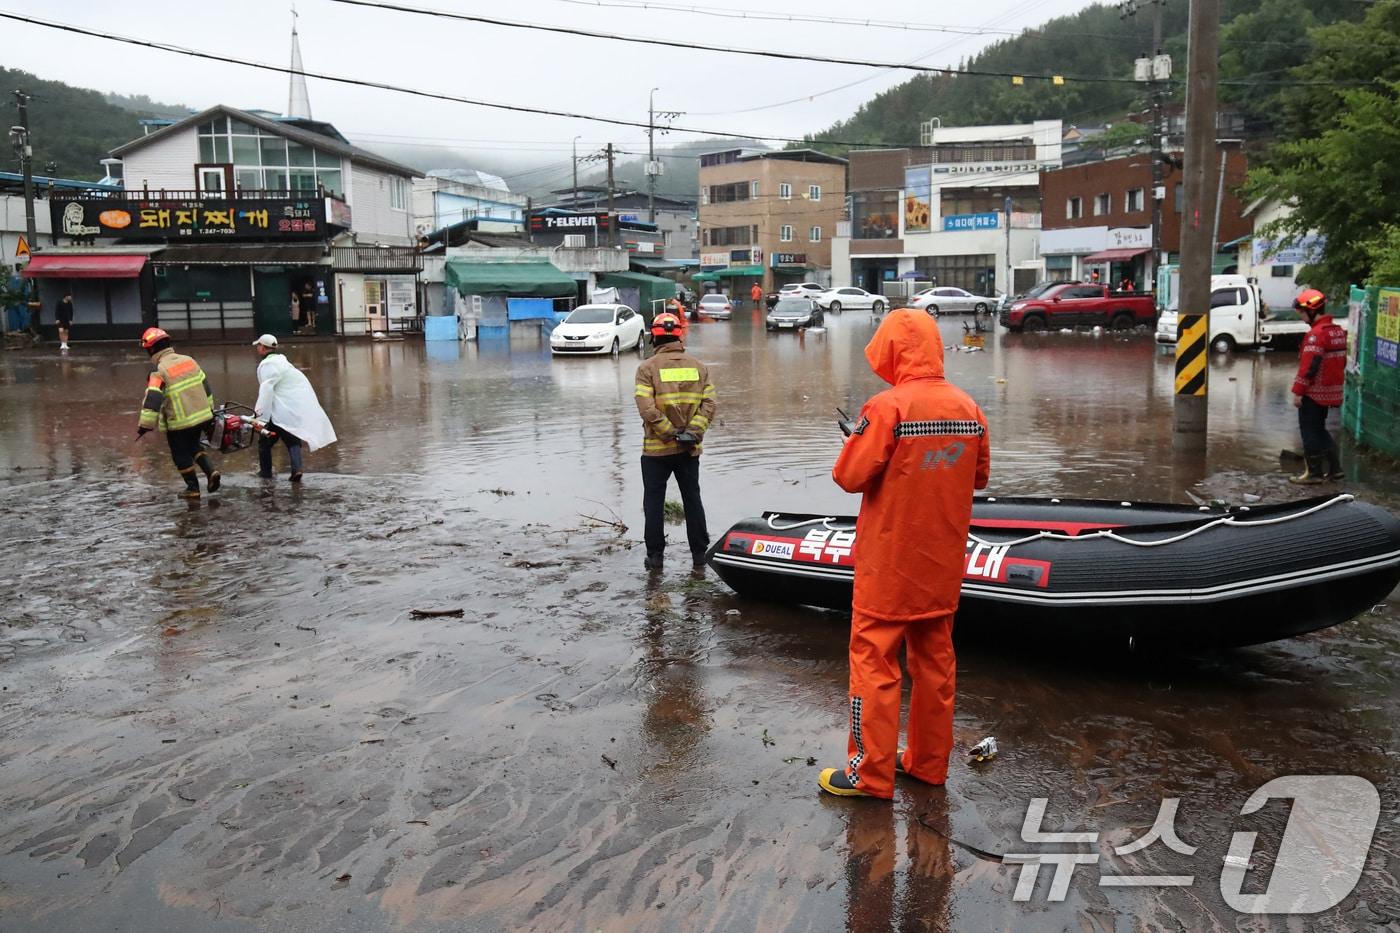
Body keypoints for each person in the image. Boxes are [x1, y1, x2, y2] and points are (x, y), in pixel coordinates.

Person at [818, 309, 991, 800]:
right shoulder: (969, 408)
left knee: (873, 666)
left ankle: (869, 775)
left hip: (889, 567)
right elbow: (979, 477)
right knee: (935, 666)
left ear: (892, 351)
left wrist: (856, 440)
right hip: (942, 566)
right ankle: (929, 764)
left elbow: (849, 476)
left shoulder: (886, 407)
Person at [633, 312, 717, 570]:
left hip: (656, 451)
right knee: (692, 499)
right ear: (679, 336)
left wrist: (669, 432)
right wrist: (691, 432)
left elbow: (646, 409)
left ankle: (655, 558)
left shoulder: (646, 368)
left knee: (654, 503)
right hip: (689, 450)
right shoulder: (699, 367)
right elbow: (709, 405)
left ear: (655, 338)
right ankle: (699, 556)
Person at [135, 327, 220, 498]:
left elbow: (153, 400)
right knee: (194, 446)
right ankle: (211, 472)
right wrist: (209, 411)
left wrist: (145, 425)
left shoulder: (159, 372)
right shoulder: (189, 361)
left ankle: (193, 488)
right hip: (202, 416)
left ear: (151, 349)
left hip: (179, 423)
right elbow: (206, 387)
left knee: (180, 454)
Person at [252, 334, 337, 483]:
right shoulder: (283, 362)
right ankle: (297, 469)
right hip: (288, 410)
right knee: (292, 439)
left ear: (263, 348)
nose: (257, 348)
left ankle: (265, 473)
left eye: (258, 345)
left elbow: (266, 391)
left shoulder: (267, 365)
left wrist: (259, 417)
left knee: (264, 443)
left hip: (276, 411)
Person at [1289, 288, 1347, 484]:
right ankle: (1335, 469)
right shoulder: (1337, 331)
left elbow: (1309, 367)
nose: (1301, 316)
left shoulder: (1316, 335)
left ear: (1312, 310)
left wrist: (1298, 392)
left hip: (1313, 393)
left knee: (1309, 432)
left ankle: (1313, 473)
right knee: (1319, 429)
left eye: (1302, 312)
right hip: (1331, 391)